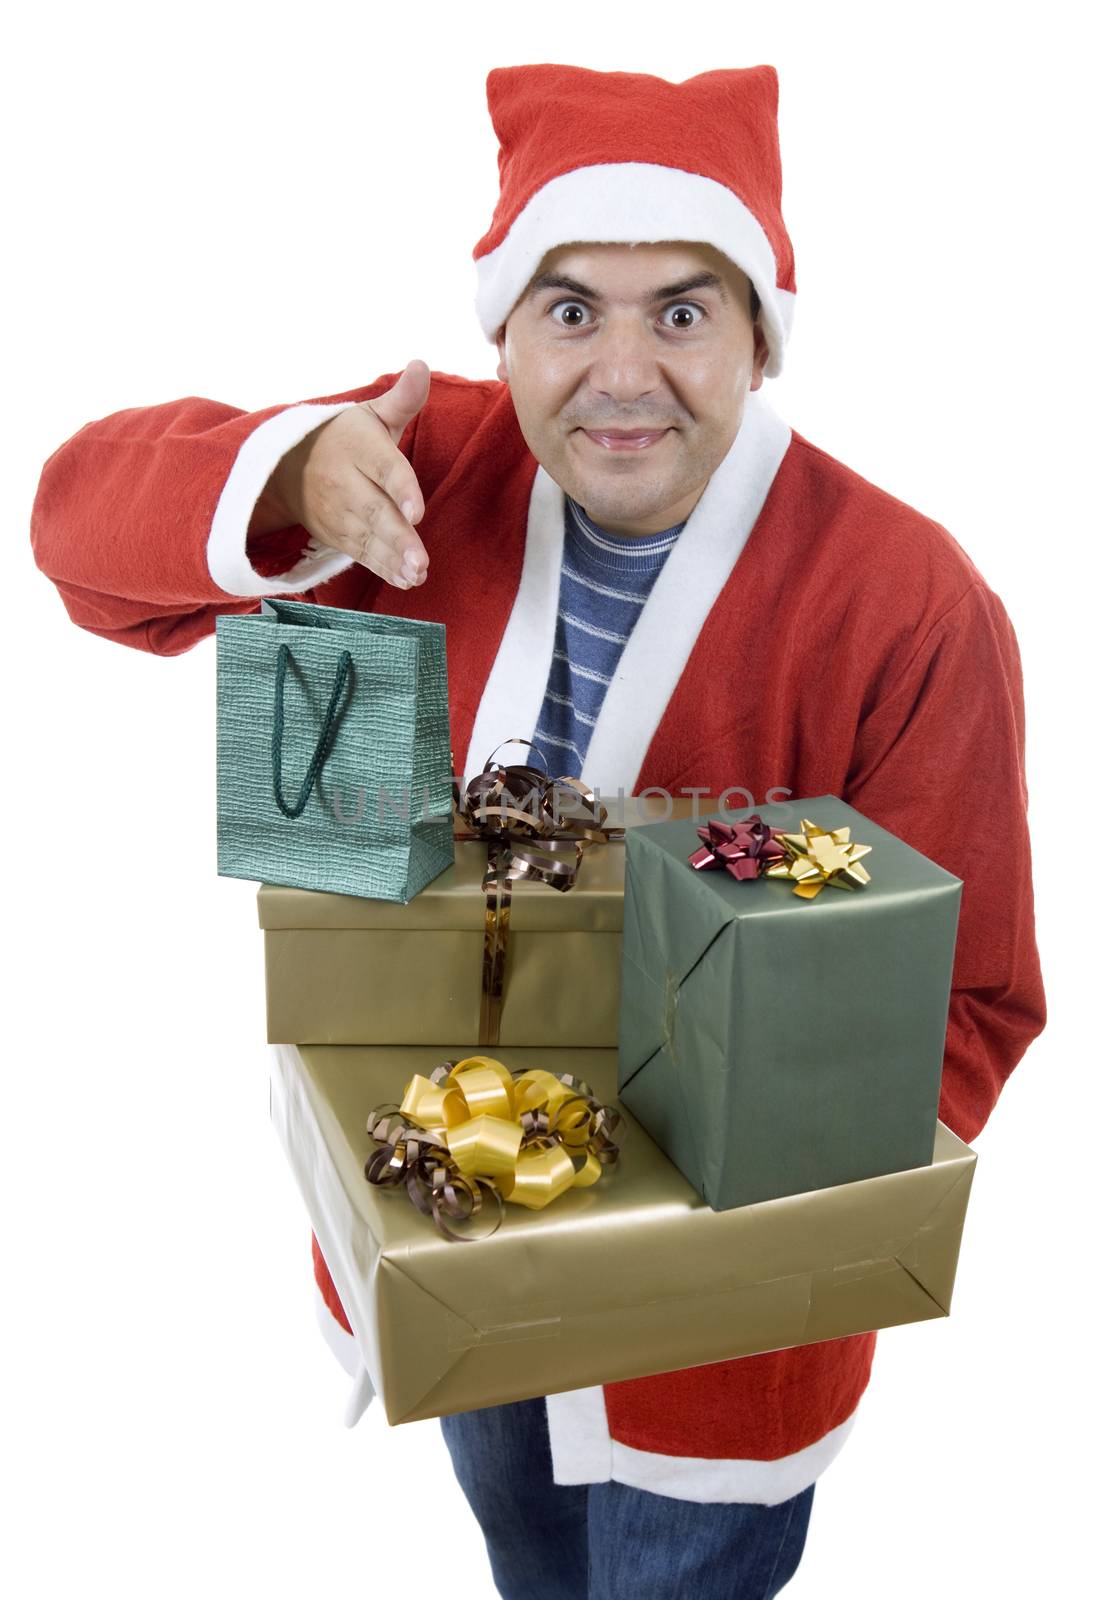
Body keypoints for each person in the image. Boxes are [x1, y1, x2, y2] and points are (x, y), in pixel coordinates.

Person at [30, 62, 1046, 1600]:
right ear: (500, 327)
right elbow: (74, 527)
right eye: (571, 310)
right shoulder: (400, 475)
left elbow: (973, 998)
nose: (623, 371)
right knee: (526, 1555)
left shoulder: (910, 601)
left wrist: (745, 1213)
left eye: (685, 311)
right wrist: (290, 479)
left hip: (722, 1330)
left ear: (762, 340)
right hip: (455, 1240)